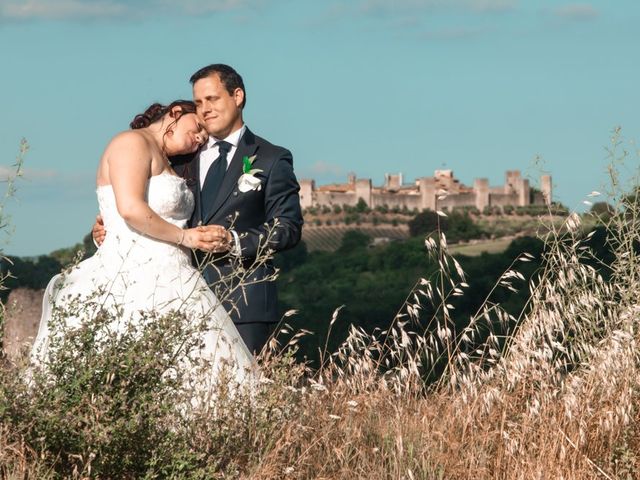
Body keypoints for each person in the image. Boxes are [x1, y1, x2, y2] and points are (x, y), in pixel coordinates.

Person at [32, 100, 255, 386]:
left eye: (204, 137)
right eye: (197, 127)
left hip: (179, 279)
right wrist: (186, 237)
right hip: (132, 278)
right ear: (175, 112)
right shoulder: (131, 143)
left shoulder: (172, 163)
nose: (200, 139)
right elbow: (130, 209)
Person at [94, 65, 304, 355]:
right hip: (171, 297)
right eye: (199, 103)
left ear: (238, 96)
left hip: (243, 300)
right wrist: (110, 229)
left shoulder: (271, 158)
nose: (205, 109)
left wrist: (233, 242)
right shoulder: (179, 157)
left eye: (213, 99)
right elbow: (146, 206)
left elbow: (288, 227)